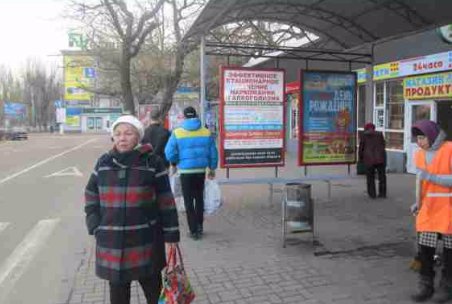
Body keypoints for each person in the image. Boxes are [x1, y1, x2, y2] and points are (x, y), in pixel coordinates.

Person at [84, 115, 180, 304]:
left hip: (145, 241)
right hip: (112, 243)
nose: (122, 138)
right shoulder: (103, 163)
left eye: (128, 133)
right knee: (118, 298)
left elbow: (166, 201)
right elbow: (90, 193)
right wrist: (94, 223)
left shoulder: (153, 163)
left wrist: (171, 236)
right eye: (117, 134)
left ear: (138, 137)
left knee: (155, 294)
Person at [410, 120, 452, 303]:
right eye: (417, 138)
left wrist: (431, 177)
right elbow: (421, 184)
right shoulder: (419, 155)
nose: (419, 142)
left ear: (432, 135)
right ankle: (425, 284)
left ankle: (447, 285)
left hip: (449, 208)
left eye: (422, 137)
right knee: (425, 251)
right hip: (428, 209)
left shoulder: (449, 149)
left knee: (450, 252)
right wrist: (416, 202)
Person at [164, 106, 218, 240]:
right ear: (196, 115)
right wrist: (212, 168)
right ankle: (200, 226)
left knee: (188, 201)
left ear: (184, 116)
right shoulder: (206, 132)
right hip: (200, 171)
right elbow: (213, 153)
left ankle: (193, 230)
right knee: (199, 199)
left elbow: (169, 152)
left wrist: (174, 162)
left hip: (185, 172)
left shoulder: (177, 133)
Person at [358, 122, 387, 199]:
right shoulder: (379, 134)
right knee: (382, 177)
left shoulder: (364, 135)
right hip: (380, 158)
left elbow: (361, 148)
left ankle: (372, 194)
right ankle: (382, 193)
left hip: (369, 159)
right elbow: (383, 145)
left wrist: (360, 158)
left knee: (370, 177)